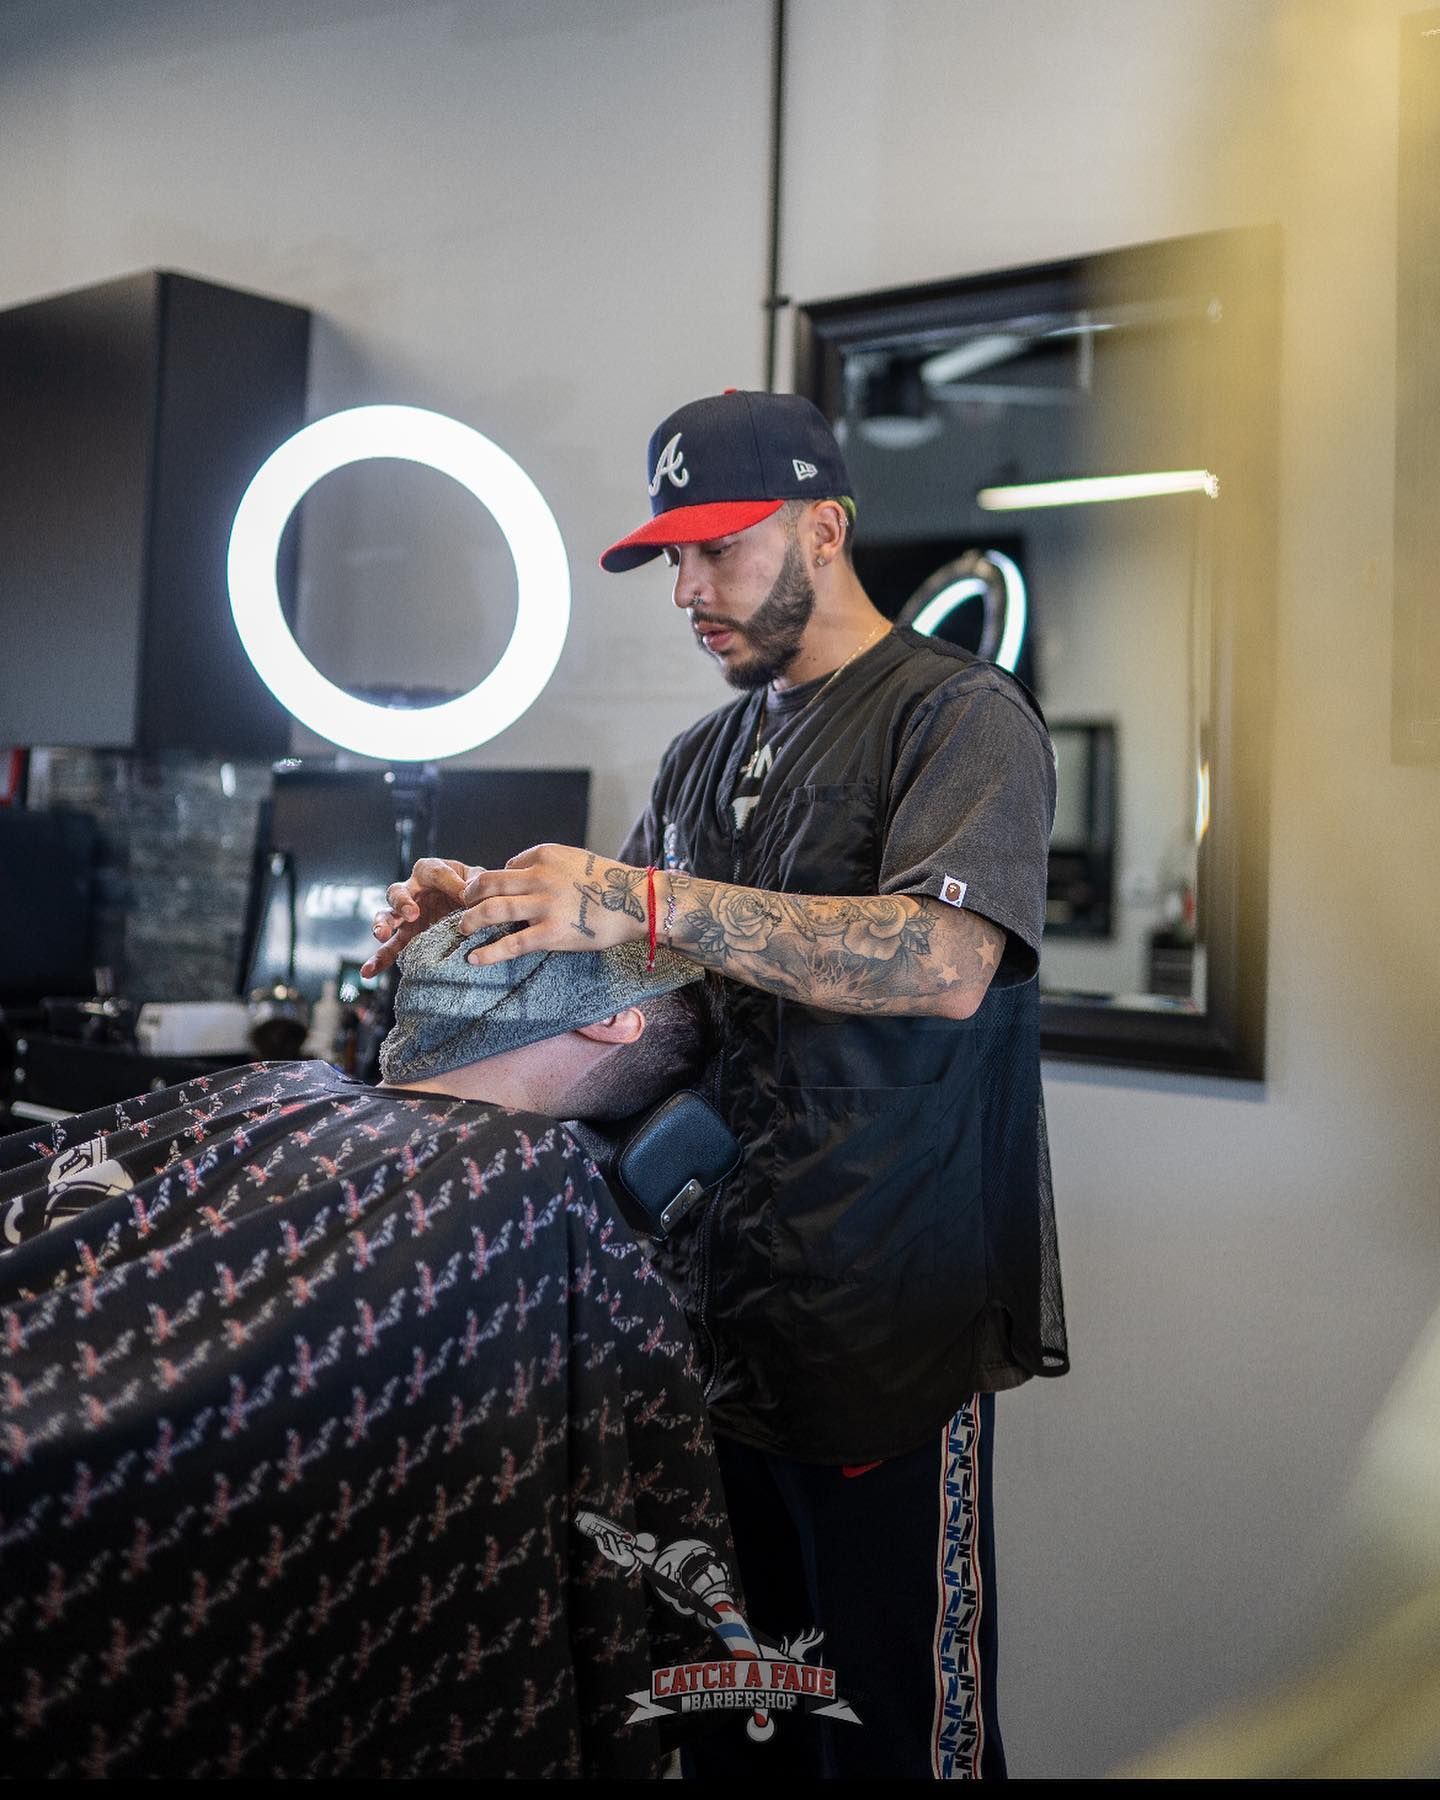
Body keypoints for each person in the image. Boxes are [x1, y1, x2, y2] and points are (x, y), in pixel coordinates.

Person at [366, 389, 1069, 1780]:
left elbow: (940, 961)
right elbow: (650, 997)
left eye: (717, 551)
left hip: (880, 1329)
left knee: (899, 1740)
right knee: (737, 1731)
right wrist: (488, 922)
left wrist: (633, 897)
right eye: (669, 562)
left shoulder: (958, 719)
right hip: (701, 1333)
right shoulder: (705, 757)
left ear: (825, 523)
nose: (686, 591)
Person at [0, 922, 740, 1779]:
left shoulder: (521, 1190)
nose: (474, 910)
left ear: (612, 1020)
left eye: (529, 921)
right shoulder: (297, 1087)